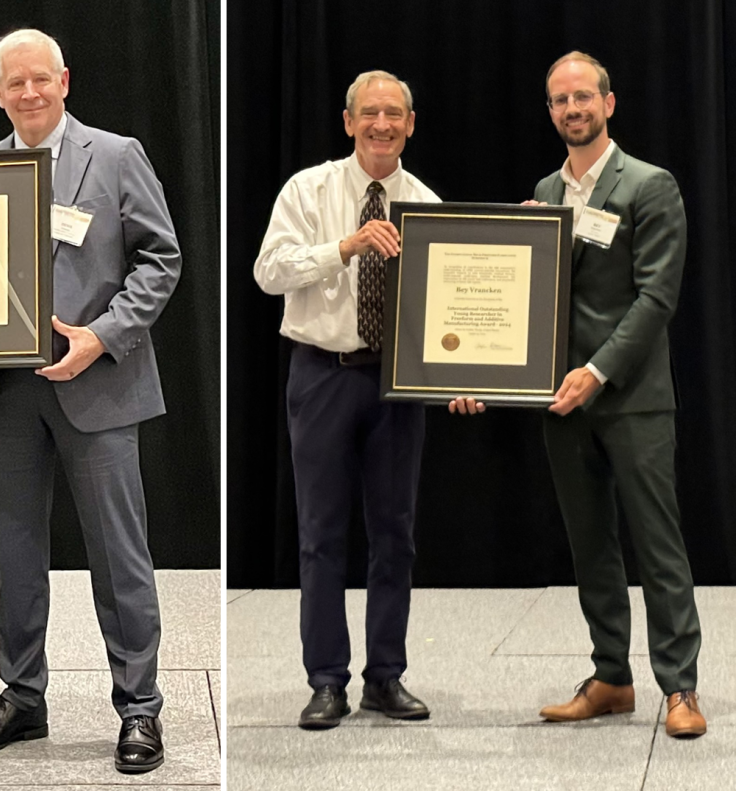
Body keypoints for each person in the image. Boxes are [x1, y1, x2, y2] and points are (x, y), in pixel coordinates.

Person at [0, 29, 181, 774]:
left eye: (41, 79)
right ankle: (22, 696)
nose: (29, 93)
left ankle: (139, 709)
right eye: (14, 83)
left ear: (65, 80)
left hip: (98, 383)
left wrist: (103, 336)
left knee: (120, 557)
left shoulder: (115, 156)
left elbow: (161, 257)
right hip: (6, 392)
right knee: (15, 553)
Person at [451, 51, 705, 738]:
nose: (573, 109)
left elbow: (657, 296)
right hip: (559, 402)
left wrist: (596, 370)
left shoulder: (650, 186)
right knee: (591, 544)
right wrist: (482, 365)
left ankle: (679, 687)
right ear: (550, 110)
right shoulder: (547, 189)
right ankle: (612, 678)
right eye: (560, 100)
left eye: (584, 97)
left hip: (630, 396)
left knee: (658, 545)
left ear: (609, 103)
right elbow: (533, 301)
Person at [253, 70, 435, 730]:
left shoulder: (426, 203)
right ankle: (326, 679)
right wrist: (345, 246)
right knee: (321, 535)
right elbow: (268, 270)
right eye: (370, 113)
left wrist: (467, 371)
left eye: (394, 113)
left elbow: (447, 308)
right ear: (348, 120)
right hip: (322, 373)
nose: (382, 124)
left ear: (411, 124)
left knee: (396, 534)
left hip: (397, 382)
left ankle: (385, 676)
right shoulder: (309, 190)